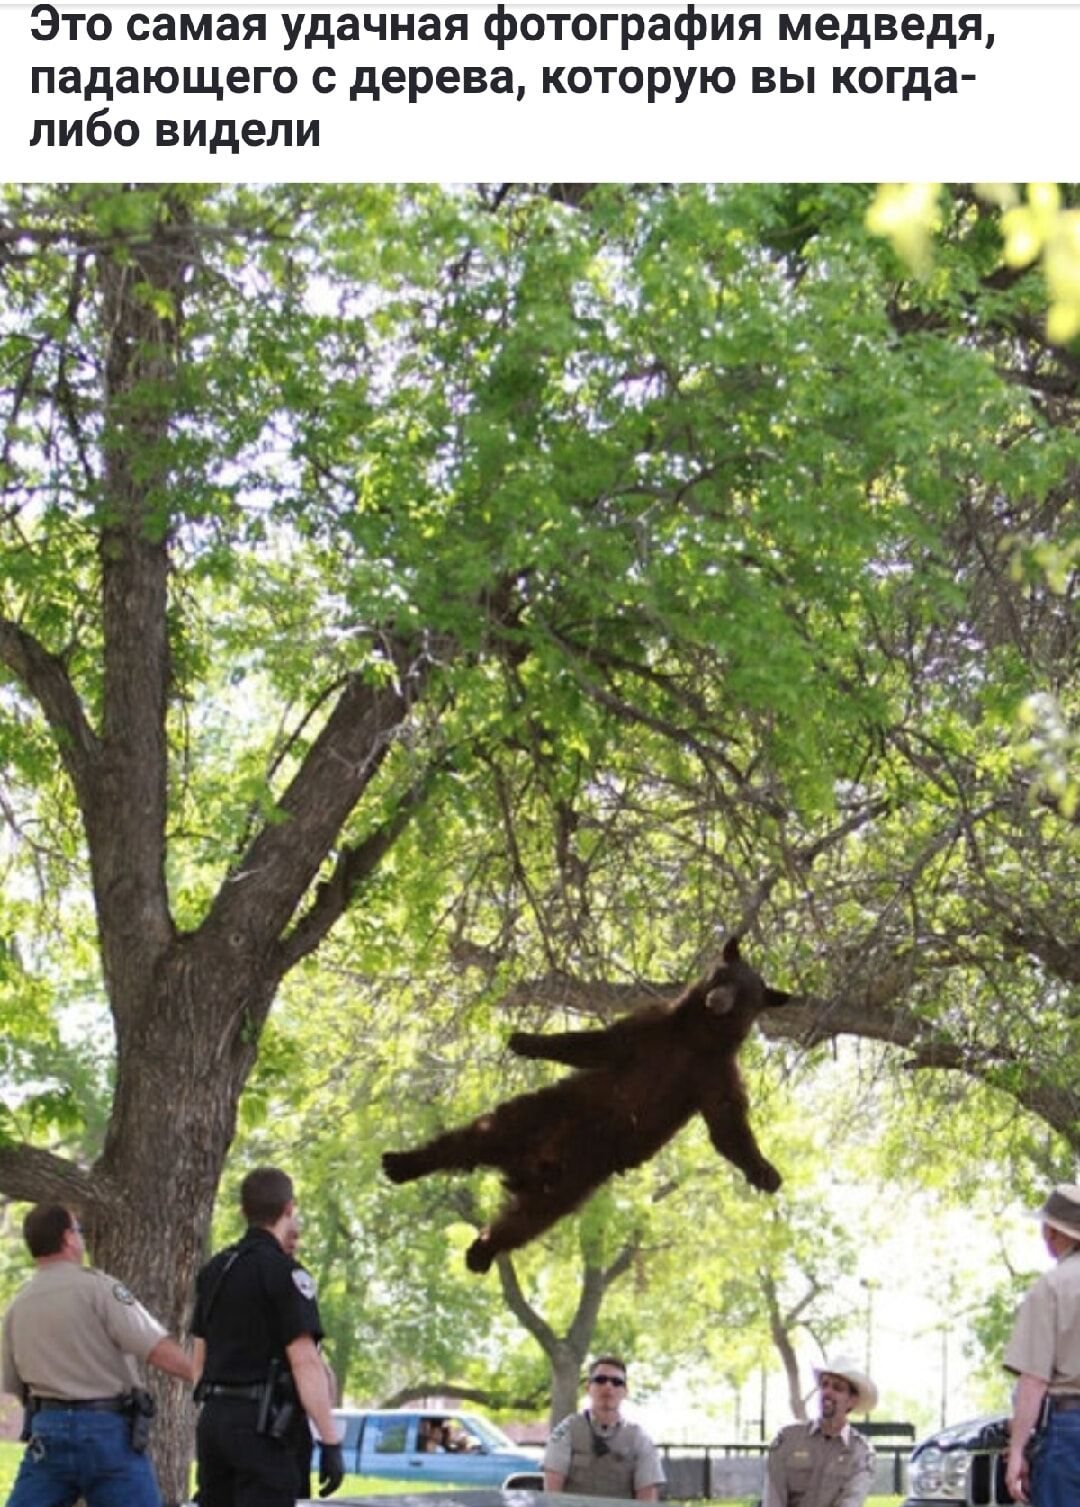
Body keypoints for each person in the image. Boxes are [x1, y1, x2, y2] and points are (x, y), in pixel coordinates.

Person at [0, 1201, 195, 1507]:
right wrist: (204, 1377)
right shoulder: (99, 1289)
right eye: (79, 1231)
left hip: (47, 1431)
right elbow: (153, 1347)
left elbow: (10, 1386)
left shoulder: (17, 1307)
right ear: (67, 1238)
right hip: (105, 1430)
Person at [191, 1166, 345, 1507]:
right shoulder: (286, 1274)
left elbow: (198, 1362)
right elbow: (305, 1361)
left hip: (214, 1421)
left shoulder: (215, 1270)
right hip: (264, 1427)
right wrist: (330, 1441)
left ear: (244, 1211)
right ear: (289, 1209)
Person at [1003, 1183, 1080, 1506]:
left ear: (1050, 1231)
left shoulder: (1052, 1286)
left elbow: (1033, 1379)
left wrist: (1017, 1450)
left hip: (1069, 1432)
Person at [543, 1355, 665, 1500]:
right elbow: (552, 1491)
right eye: (600, 1380)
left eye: (617, 1382)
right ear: (588, 1388)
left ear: (625, 1391)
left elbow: (647, 1497)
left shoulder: (639, 1438)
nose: (608, 1386)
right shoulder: (567, 1429)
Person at [761, 1354, 877, 1507]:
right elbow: (773, 1499)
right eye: (824, 1384)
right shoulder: (787, 1440)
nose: (827, 1392)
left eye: (837, 1388)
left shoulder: (861, 1453)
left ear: (852, 1400)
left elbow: (851, 1502)